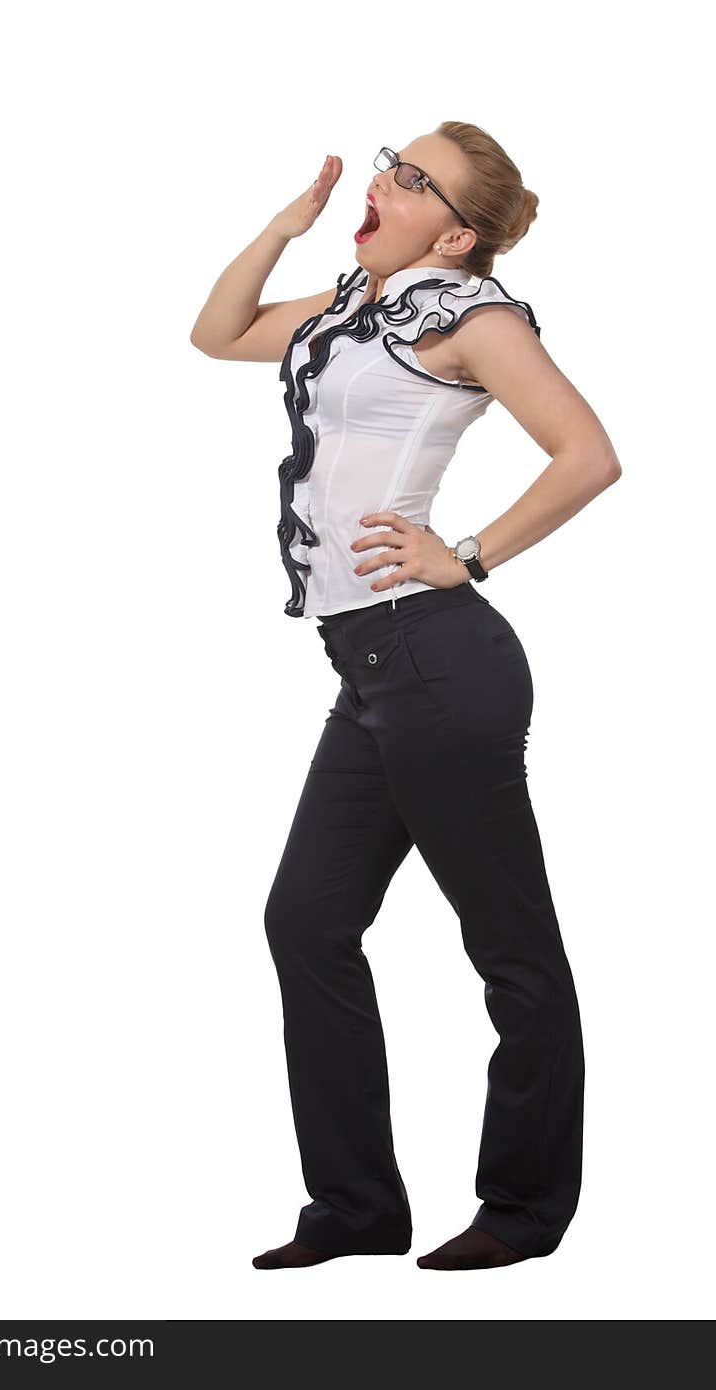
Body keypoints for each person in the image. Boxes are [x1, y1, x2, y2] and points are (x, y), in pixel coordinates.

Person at [190, 123, 620, 1272]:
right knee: (307, 922)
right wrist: (288, 224)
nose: (382, 182)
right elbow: (216, 333)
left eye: (411, 179)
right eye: (394, 159)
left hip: (437, 659)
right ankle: (355, 1210)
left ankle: (524, 1212)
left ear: (460, 232)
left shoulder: (469, 318)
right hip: (370, 668)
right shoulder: (352, 309)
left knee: (511, 951)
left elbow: (587, 453)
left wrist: (466, 553)